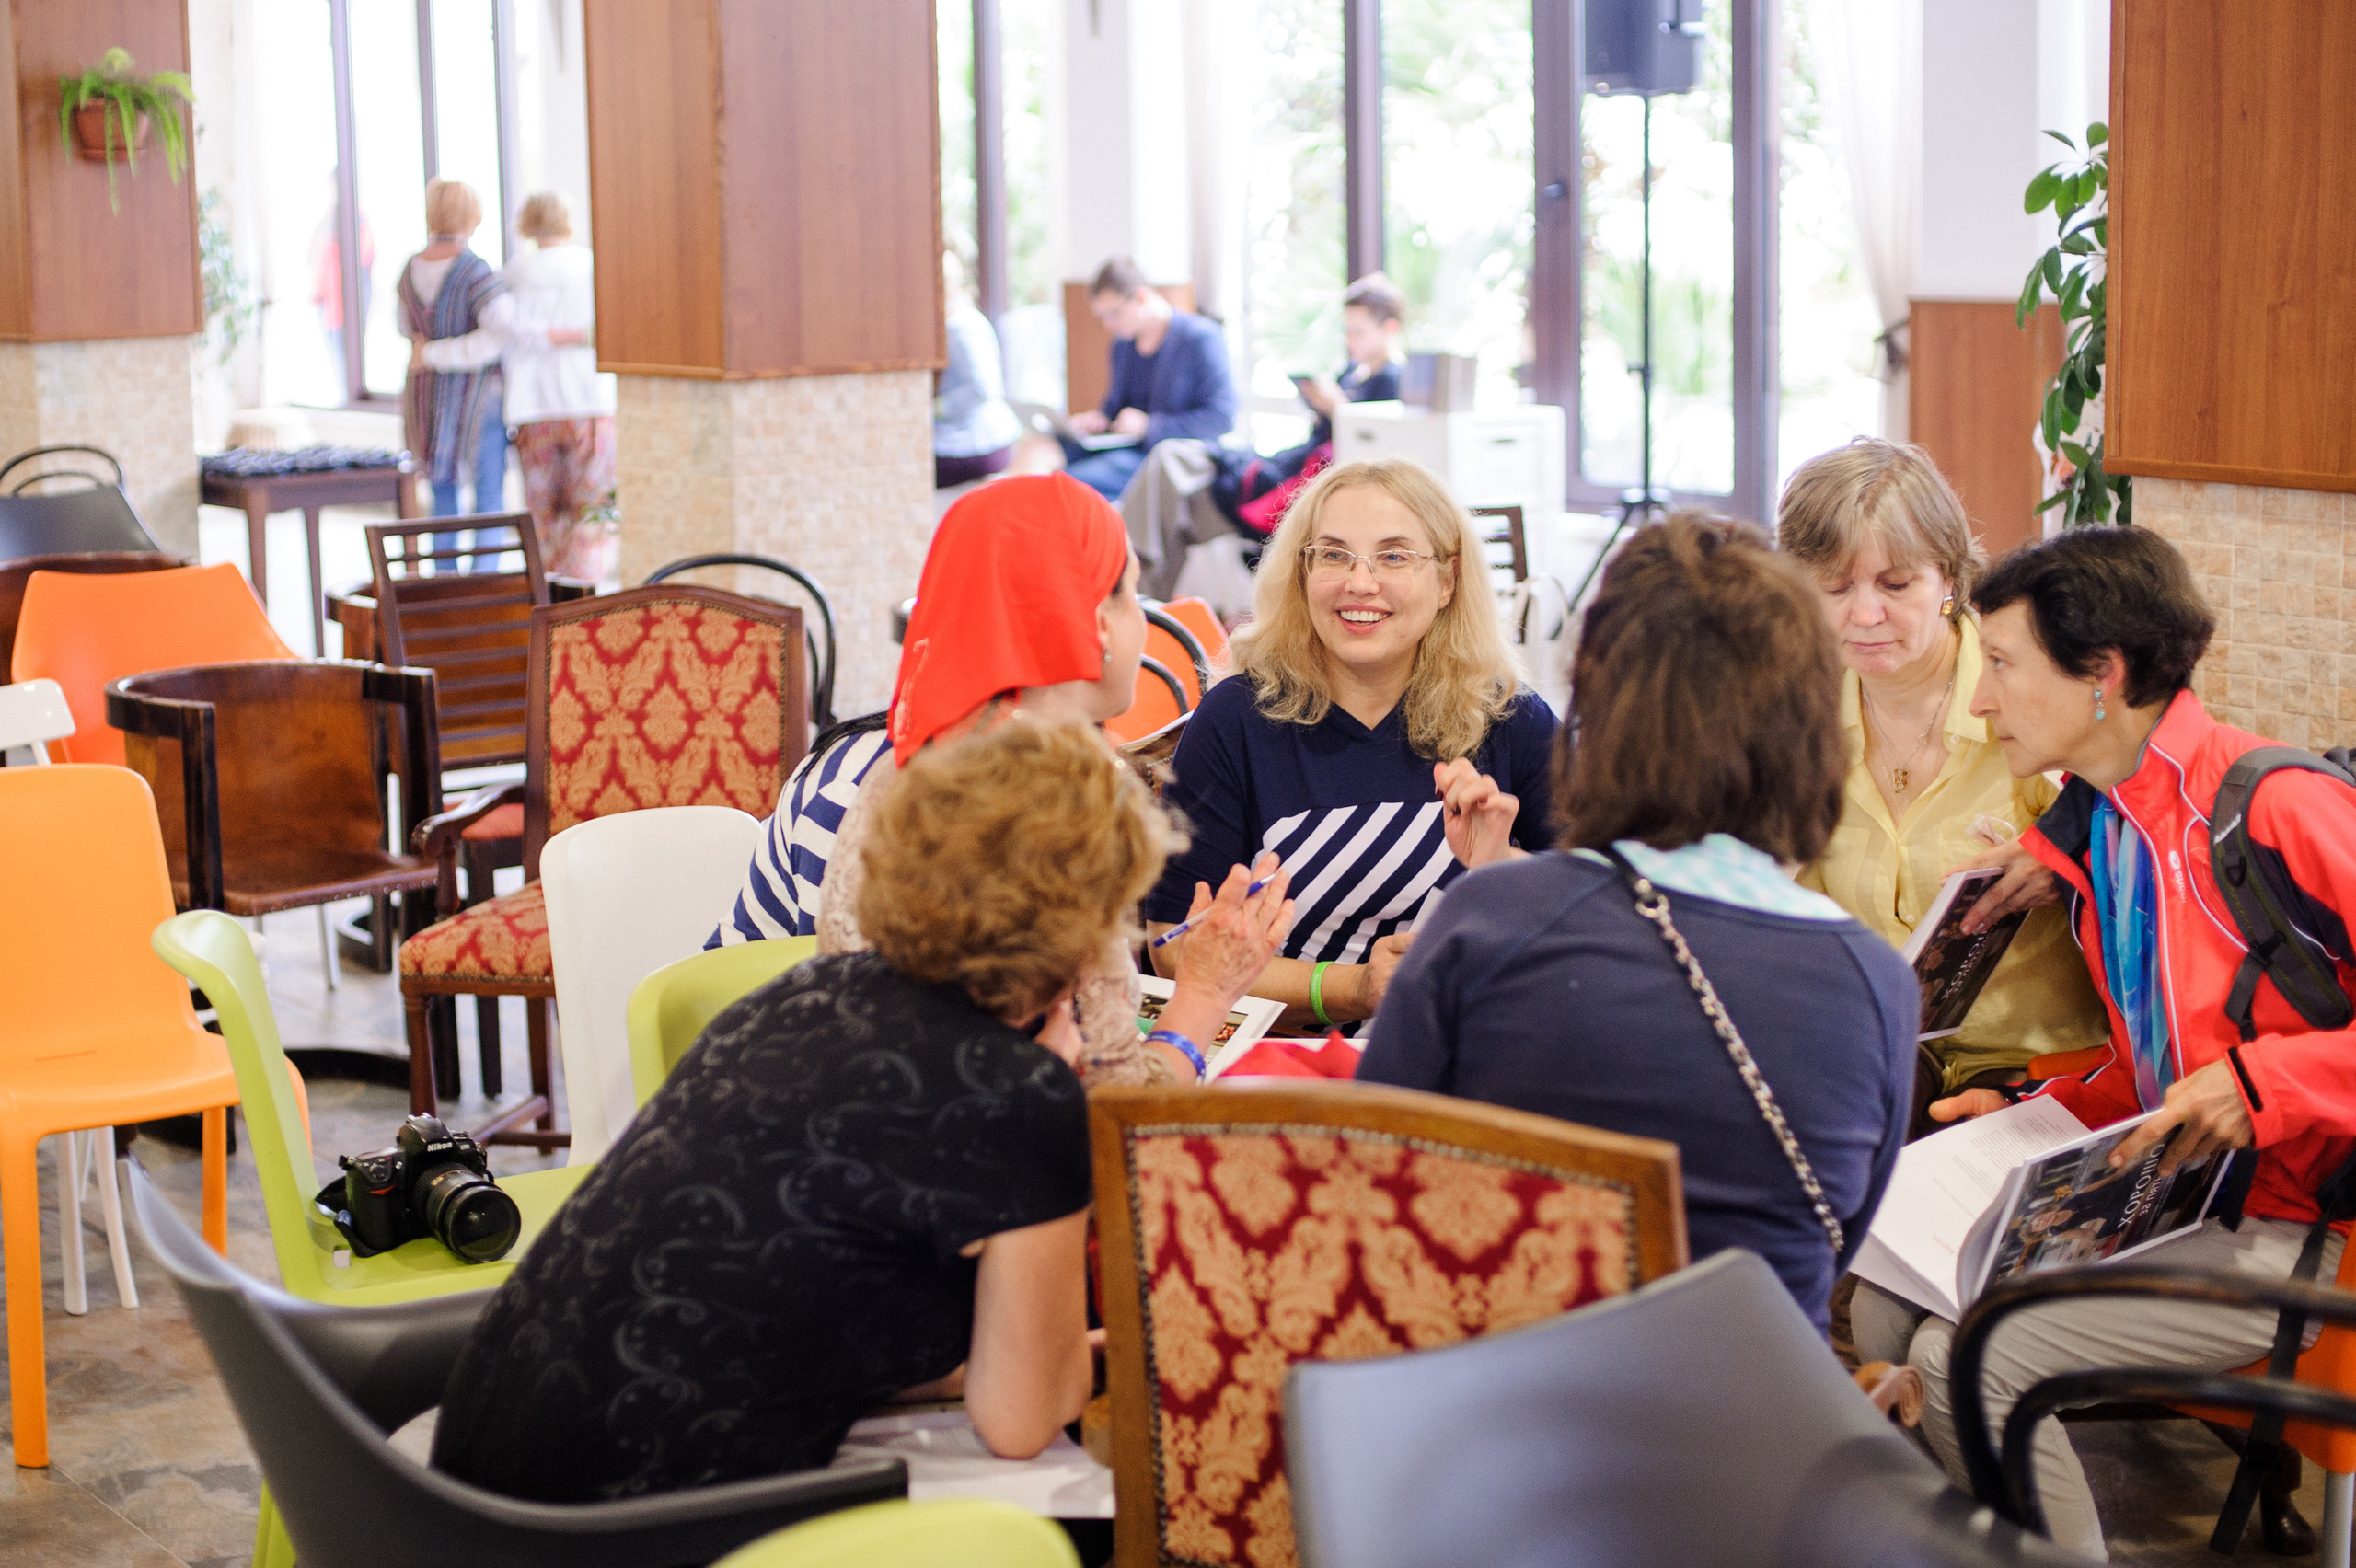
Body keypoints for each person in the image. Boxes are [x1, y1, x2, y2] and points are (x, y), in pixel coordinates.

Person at [431, 719, 1292, 1503]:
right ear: (1086, 919)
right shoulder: (1019, 1094)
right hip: (620, 1531)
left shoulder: (801, 995)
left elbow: (797, 1274)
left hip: (463, 1483)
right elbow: (1021, 1419)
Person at [1851, 526, 2356, 1561]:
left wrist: (2264, 1084)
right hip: (2187, 1202)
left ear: (2101, 676)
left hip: (2310, 1234)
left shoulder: (2278, 808)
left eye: (1998, 664)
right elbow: (2163, 1072)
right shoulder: (2115, 830)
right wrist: (2045, 1113)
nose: (1979, 699)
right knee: (1887, 1303)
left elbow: (2239, 1076)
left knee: (1964, 1359)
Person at [1357, 514, 1916, 1330]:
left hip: (1496, 1418)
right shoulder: (1878, 982)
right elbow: (1830, 1248)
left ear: (1599, 714)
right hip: (1753, 1434)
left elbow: (1368, 1188)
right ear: (1809, 728)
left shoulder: (1488, 920)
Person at [709, 472, 1271, 1085]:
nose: (1143, 619)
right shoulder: (1050, 801)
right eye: (1131, 593)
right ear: (1095, 623)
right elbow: (1114, 1116)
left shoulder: (884, 755)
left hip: (781, 1086)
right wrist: (1205, 998)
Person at [1143, 457, 1556, 1034]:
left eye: (1394, 556)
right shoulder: (1236, 720)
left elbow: (1608, 916)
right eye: (1334, 555)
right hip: (1282, 1070)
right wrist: (1353, 987)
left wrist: (1501, 868)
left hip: (1469, 1066)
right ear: (1301, 573)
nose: (1359, 583)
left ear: (1447, 581)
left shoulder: (1511, 719)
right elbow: (1171, 947)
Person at [1779, 440, 2108, 1135]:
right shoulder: (1789, 712)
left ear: (1951, 580)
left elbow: (2153, 838)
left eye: (1896, 586)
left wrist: (2064, 858)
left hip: (2042, 1074)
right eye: (1835, 589)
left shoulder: (2029, 682)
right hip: (1876, 1059)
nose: (1864, 615)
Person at [417, 190, 618, 581]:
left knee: (543, 518)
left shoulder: (511, 275)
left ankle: (551, 599)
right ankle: (584, 597)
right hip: (591, 403)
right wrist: (579, 336)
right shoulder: (592, 266)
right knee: (591, 511)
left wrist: (429, 354)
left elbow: (499, 339)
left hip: (532, 411)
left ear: (525, 224)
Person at [1216, 271, 1407, 536]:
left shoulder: (1393, 379)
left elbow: (1375, 445)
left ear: (1389, 329)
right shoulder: (1352, 372)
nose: (1350, 340)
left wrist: (1340, 410)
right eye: (1347, 331)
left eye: (1359, 332)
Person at [1061, 256, 1236, 502]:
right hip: (1128, 447)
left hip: (1169, 454)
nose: (1108, 325)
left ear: (1141, 298)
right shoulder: (1123, 345)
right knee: (1049, 450)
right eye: (1102, 317)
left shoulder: (1200, 338)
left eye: (1114, 314)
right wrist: (1099, 419)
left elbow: (1222, 418)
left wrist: (1149, 426)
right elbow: (1114, 407)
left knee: (1069, 482)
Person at [398, 179, 510, 541]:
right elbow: (497, 338)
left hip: (425, 394)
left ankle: (445, 587)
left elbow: (404, 327)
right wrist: (441, 353)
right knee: (488, 496)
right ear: (472, 218)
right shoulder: (475, 270)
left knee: (441, 495)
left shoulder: (409, 269)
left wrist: (429, 352)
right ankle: (484, 591)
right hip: (477, 398)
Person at [935, 250, 1022, 489]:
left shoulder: (962, 326)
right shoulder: (951, 323)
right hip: (962, 436)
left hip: (982, 444)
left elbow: (983, 387)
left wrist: (939, 407)